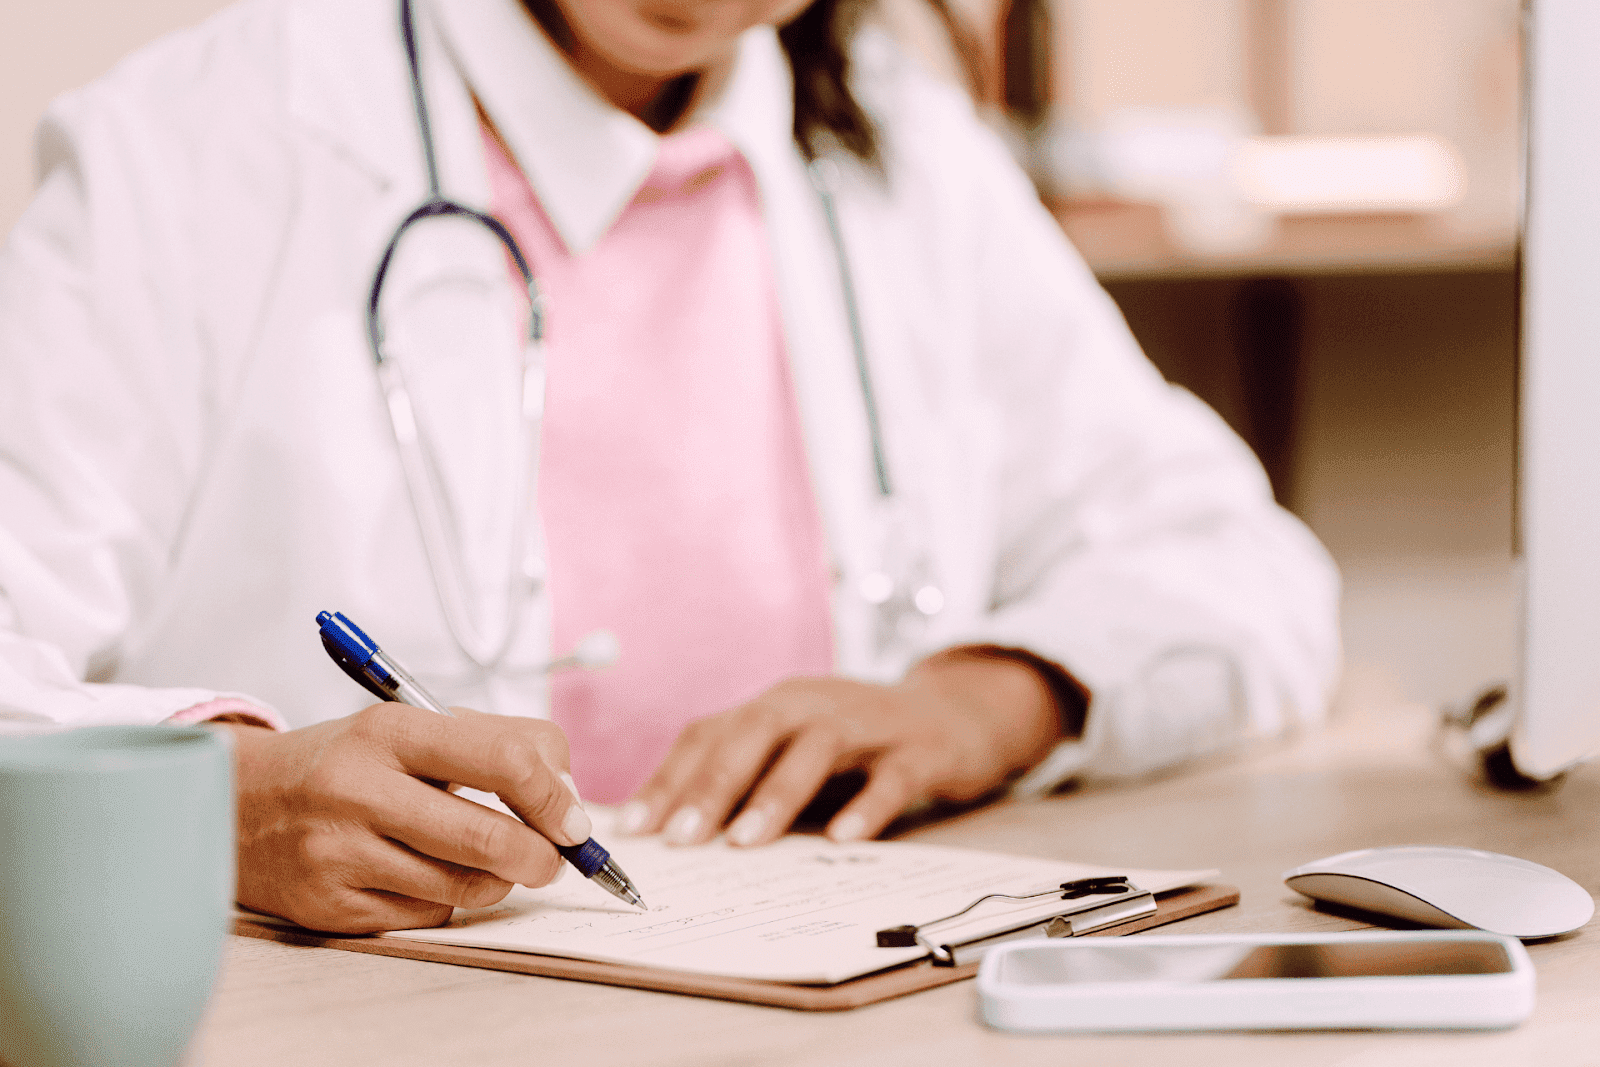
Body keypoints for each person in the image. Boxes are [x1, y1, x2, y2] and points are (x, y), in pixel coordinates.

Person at [0, 0, 1339, 932]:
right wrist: (215, 803)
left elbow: (1248, 570)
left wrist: (989, 699)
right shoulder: (191, 147)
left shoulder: (906, 154)